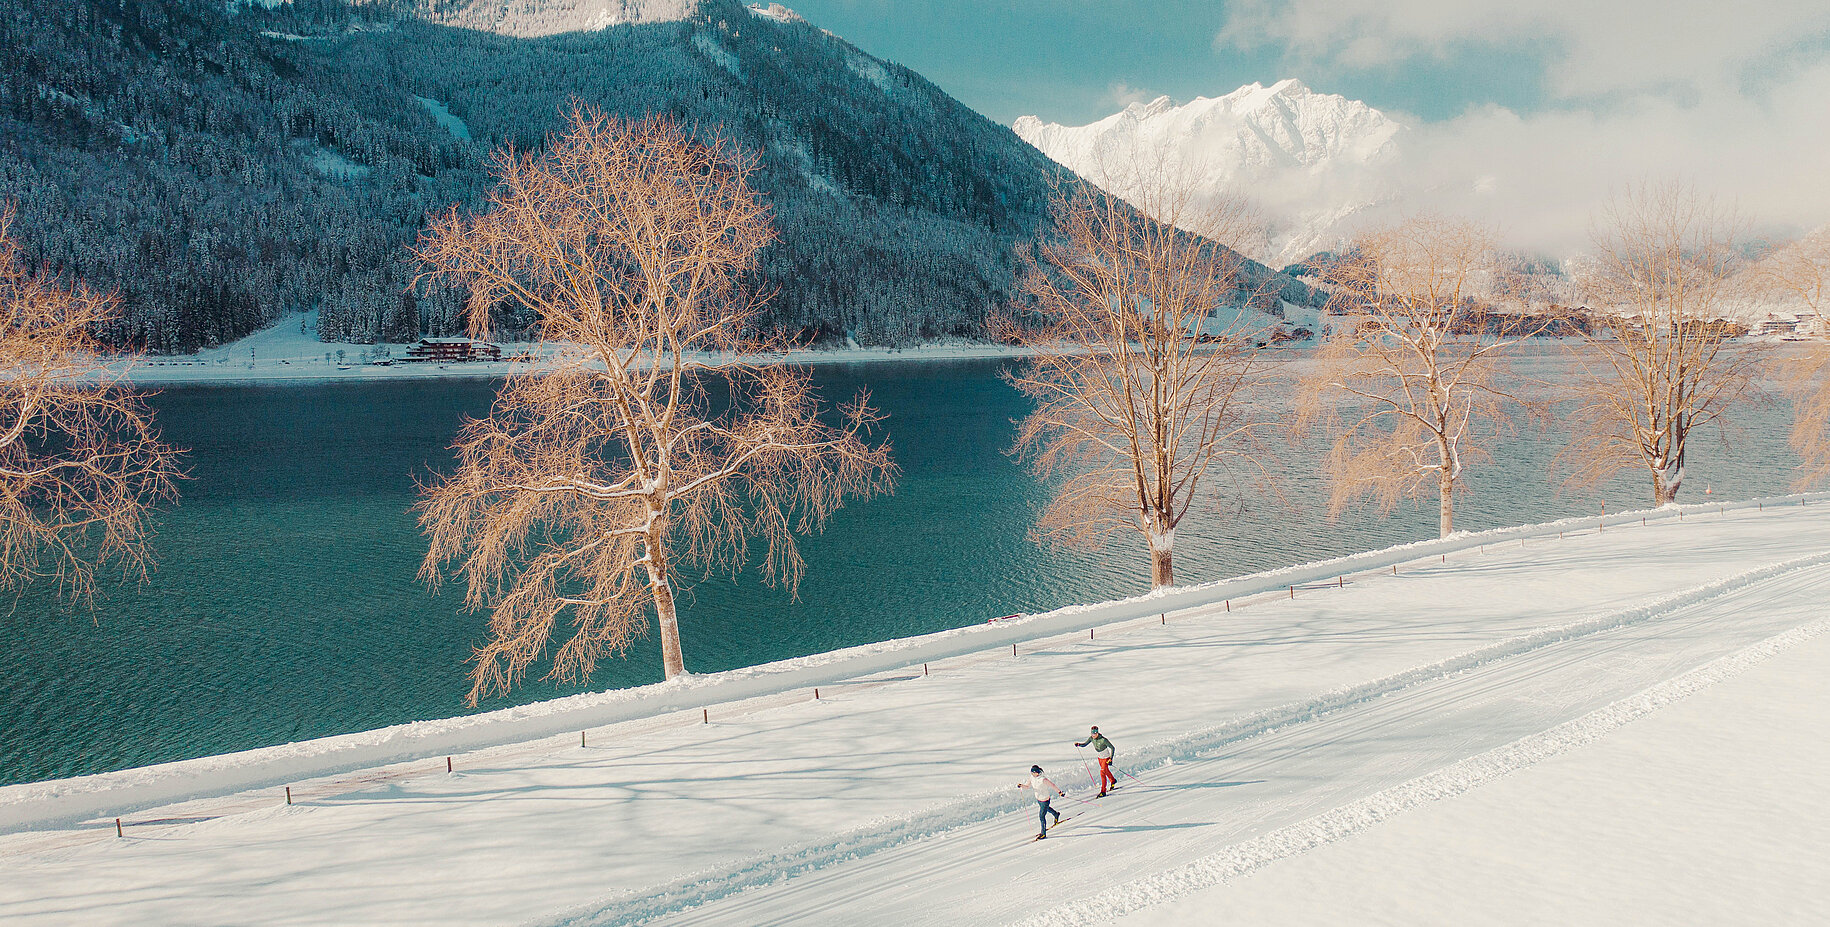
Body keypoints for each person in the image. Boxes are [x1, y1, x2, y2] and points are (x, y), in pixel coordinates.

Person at [1017, 764, 1065, 838]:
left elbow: (1052, 785)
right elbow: (1027, 786)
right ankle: (1056, 814)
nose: (1032, 774)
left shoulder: (1043, 779)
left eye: (1034, 773)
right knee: (1046, 808)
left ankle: (1043, 833)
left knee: (1041, 816)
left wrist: (1059, 792)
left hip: (1045, 799)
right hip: (1039, 799)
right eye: (1031, 773)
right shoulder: (1031, 778)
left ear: (1037, 772)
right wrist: (1021, 786)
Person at [1075, 726, 1117, 797]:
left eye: (1095, 734)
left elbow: (1112, 748)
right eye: (1092, 734)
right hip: (1100, 758)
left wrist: (1110, 758)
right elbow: (1085, 744)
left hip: (1106, 758)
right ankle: (1113, 780)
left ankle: (1103, 791)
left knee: (1102, 773)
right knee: (1106, 771)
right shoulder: (1091, 738)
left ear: (1097, 733)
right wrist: (1079, 744)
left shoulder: (1103, 740)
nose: (1093, 735)